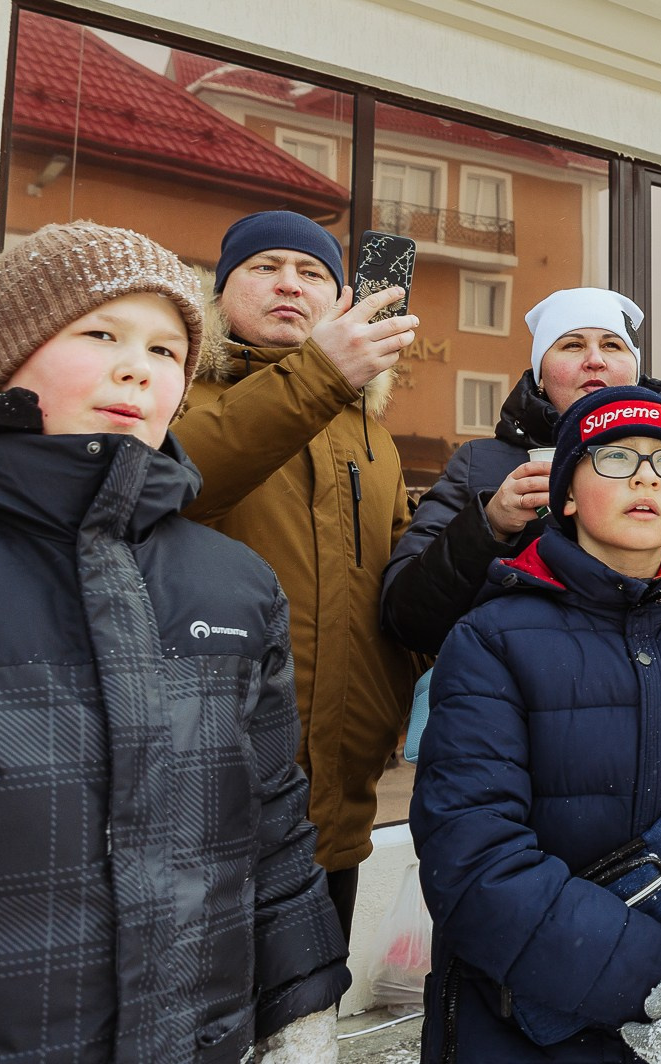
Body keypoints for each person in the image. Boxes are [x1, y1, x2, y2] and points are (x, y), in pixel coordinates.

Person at [0, 222, 348, 1063]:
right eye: (100, 334)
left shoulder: (234, 583)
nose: (136, 369)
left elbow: (269, 823)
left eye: (165, 350)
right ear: (7, 359)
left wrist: (298, 1009)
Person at [411, 385, 661, 1064]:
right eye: (617, 458)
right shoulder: (489, 642)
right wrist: (657, 982)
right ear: (565, 495)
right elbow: (473, 859)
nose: (647, 476)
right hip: (524, 1032)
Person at [172, 210, 421, 943]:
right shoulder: (179, 399)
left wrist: (488, 530)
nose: (289, 284)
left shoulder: (373, 437)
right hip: (202, 799)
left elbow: (401, 595)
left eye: (312, 272)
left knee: (308, 1028)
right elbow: (182, 480)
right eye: (264, 267)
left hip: (339, 805)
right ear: (221, 293)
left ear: (338, 299)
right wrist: (321, 372)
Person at [382, 287, 661, 654]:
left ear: (635, 370)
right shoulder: (481, 464)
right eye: (572, 345)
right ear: (540, 373)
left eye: (612, 345)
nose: (594, 360)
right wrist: (490, 523)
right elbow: (406, 618)